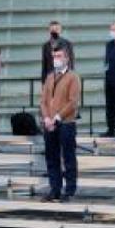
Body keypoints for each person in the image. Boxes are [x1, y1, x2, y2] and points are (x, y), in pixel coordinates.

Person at [39, 45, 80, 202]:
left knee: (68, 157)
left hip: (66, 123)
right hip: (49, 124)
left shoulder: (73, 77)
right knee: (51, 157)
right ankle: (54, 189)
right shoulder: (50, 77)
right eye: (54, 56)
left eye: (59, 56)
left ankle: (69, 190)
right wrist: (47, 118)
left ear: (67, 58)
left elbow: (73, 102)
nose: (56, 59)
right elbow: (43, 101)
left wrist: (57, 117)